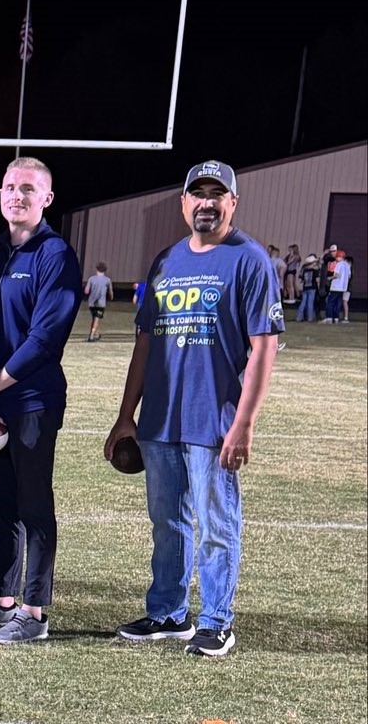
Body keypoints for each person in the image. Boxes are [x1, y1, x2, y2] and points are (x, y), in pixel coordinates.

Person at [106, 159, 282, 658]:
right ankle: (169, 612)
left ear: (233, 203)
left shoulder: (249, 260)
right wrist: (126, 415)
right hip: (161, 419)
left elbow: (264, 346)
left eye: (216, 194)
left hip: (213, 420)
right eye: (197, 194)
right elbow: (145, 343)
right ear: (184, 203)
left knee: (217, 526)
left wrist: (244, 423)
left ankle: (217, 621)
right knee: (168, 522)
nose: (206, 203)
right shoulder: (165, 260)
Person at [0, 156, 82, 645]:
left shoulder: (56, 255)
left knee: (33, 504)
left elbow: (45, 337)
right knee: (2, 506)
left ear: (46, 198)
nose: (16, 195)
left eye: (28, 188)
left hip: (31, 401)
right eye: (10, 186)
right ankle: (3, 600)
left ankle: (34, 611)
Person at [84, 261, 114, 342]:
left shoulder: (91, 279)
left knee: (94, 318)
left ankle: (96, 333)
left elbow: (86, 291)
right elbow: (110, 291)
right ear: (105, 270)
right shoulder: (107, 280)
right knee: (96, 319)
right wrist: (111, 297)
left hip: (91, 302)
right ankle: (91, 336)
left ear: (96, 269)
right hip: (101, 303)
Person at [326, 249, 352, 323]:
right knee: (338, 303)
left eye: (337, 257)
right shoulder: (347, 265)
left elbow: (337, 275)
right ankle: (336, 317)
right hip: (343, 287)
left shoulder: (339, 264)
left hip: (336, 286)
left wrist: (329, 278)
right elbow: (349, 276)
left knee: (331, 302)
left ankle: (329, 317)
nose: (336, 258)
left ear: (340, 257)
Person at [296, 254, 320, 323]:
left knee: (303, 303)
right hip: (312, 288)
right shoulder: (315, 271)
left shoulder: (305, 270)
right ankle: (310, 318)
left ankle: (299, 317)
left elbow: (302, 280)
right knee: (310, 303)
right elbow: (317, 280)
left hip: (305, 288)